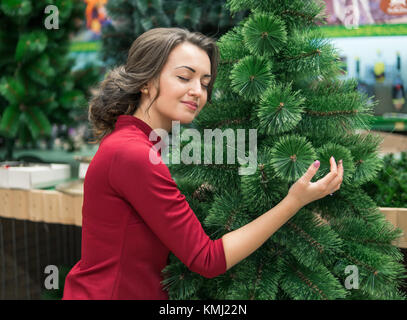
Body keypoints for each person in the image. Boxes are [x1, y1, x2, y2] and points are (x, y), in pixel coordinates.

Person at [62, 27, 344, 300]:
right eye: (185, 77)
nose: (198, 91)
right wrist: (293, 201)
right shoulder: (132, 153)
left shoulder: (134, 142)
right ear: (146, 82)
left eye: (205, 83)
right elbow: (207, 260)